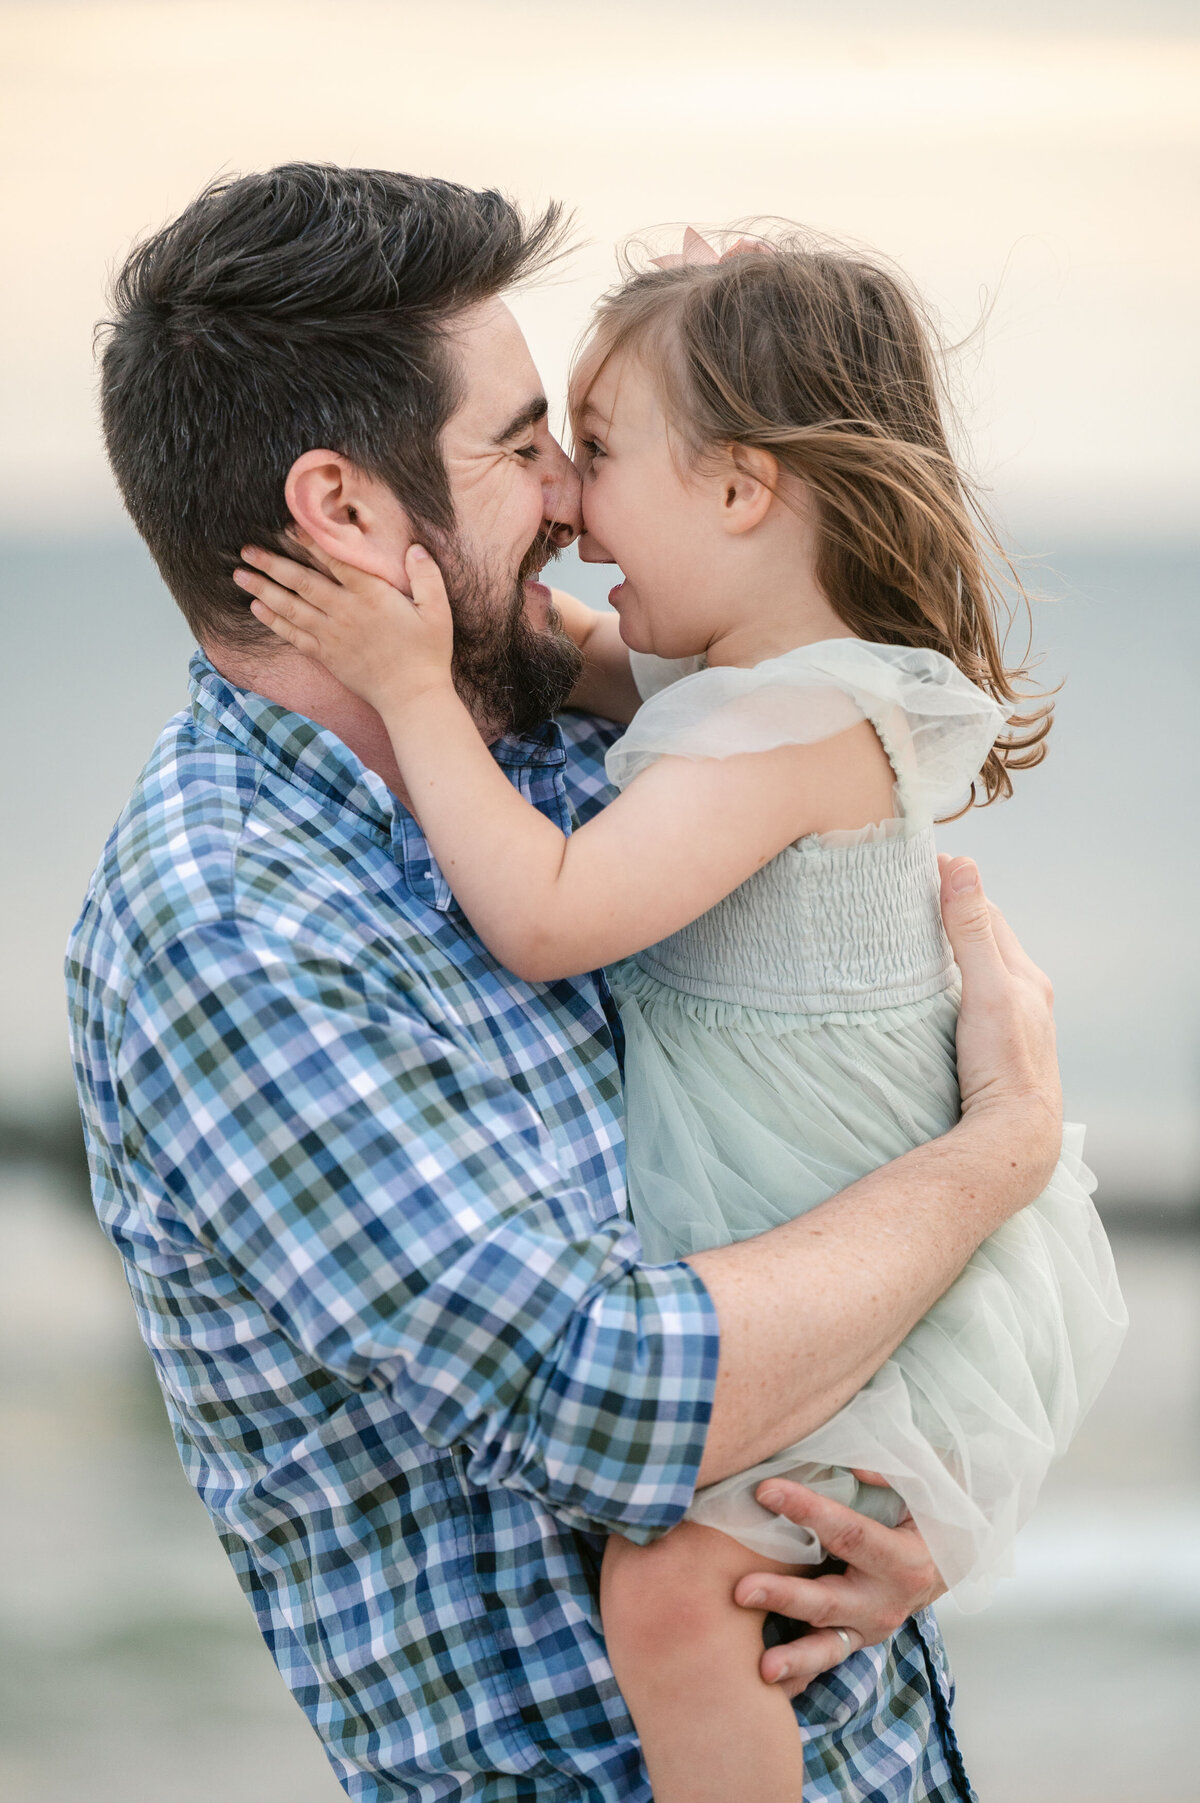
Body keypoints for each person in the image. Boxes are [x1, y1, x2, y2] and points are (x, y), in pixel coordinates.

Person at [68, 166, 1064, 1803]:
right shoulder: (234, 924)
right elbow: (614, 1390)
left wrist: (911, 1499)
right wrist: (998, 1157)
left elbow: (859, 1025)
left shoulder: (545, 740)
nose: (572, 498)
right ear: (348, 511)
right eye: (527, 443)